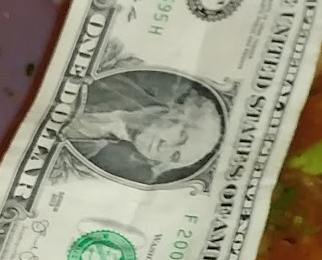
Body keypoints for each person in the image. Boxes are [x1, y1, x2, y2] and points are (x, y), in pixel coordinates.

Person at [64, 69, 224, 186]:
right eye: (181, 136)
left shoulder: (96, 158)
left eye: (175, 156)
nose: (165, 147)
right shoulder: (123, 80)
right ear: (179, 112)